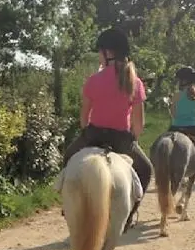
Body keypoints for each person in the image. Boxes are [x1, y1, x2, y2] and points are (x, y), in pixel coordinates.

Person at [61, 27, 154, 225]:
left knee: (68, 155)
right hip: (121, 139)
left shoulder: (93, 80)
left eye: (100, 52)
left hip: (93, 135)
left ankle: (66, 203)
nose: (99, 57)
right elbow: (139, 123)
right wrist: (132, 140)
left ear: (108, 53)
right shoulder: (135, 82)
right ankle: (130, 215)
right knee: (146, 170)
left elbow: (84, 116)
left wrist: (86, 133)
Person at [167, 66, 195, 177]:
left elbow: (173, 113)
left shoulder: (176, 95)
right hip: (192, 128)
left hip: (175, 127)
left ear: (182, 81)